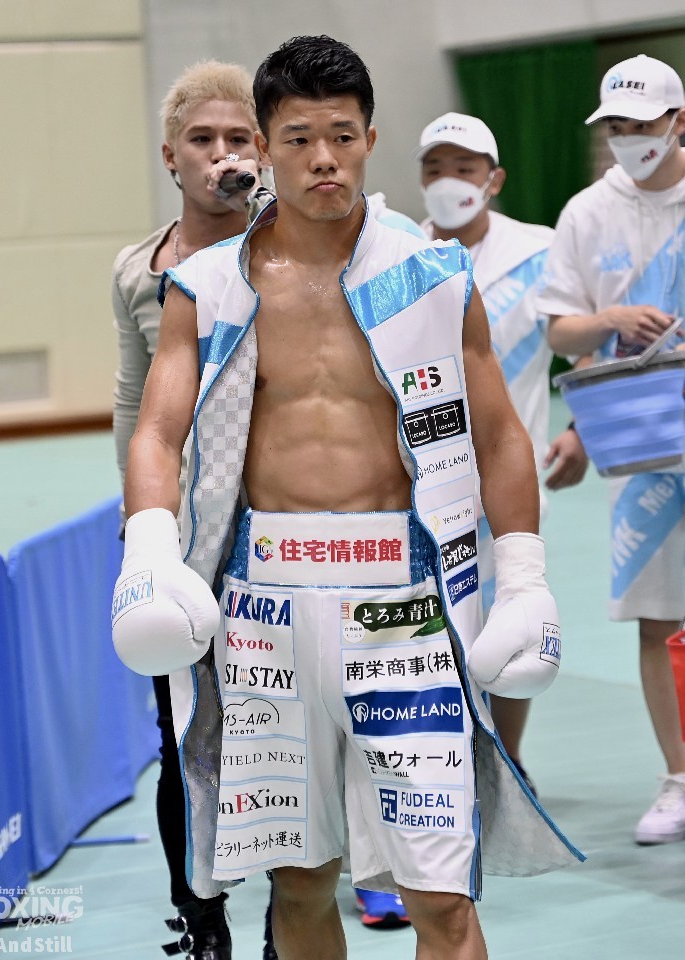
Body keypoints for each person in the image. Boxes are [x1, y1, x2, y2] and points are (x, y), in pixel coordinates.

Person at [113, 35, 583, 960]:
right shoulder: (205, 286)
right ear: (264, 147)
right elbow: (157, 432)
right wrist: (150, 551)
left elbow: (499, 434)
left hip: (405, 608)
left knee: (442, 898)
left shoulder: (435, 276)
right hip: (265, 611)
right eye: (297, 139)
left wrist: (524, 575)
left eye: (341, 136)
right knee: (297, 885)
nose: (323, 159)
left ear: (370, 138)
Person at [110, 58, 276, 960]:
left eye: (238, 138)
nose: (221, 154)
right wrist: (142, 532)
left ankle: (292, 921)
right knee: (181, 731)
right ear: (170, 156)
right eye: (201, 140)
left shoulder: (293, 250)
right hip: (177, 541)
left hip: (277, 530)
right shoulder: (138, 271)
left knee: (282, 725)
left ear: (264, 151)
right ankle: (201, 919)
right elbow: (135, 403)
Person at [414, 111, 588, 792]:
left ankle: (506, 764)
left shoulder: (538, 252)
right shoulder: (399, 253)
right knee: (435, 625)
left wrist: (582, 429)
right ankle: (445, 763)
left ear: (495, 179)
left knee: (511, 620)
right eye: (434, 168)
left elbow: (585, 336)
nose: (447, 181)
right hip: (424, 481)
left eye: (463, 168)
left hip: (512, 477)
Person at [538, 53, 685, 844]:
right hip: (641, 441)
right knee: (657, 618)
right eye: (617, 126)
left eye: (643, 124)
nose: (631, 138)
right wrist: (614, 320)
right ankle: (679, 778)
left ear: (679, 122)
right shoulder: (587, 213)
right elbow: (560, 330)